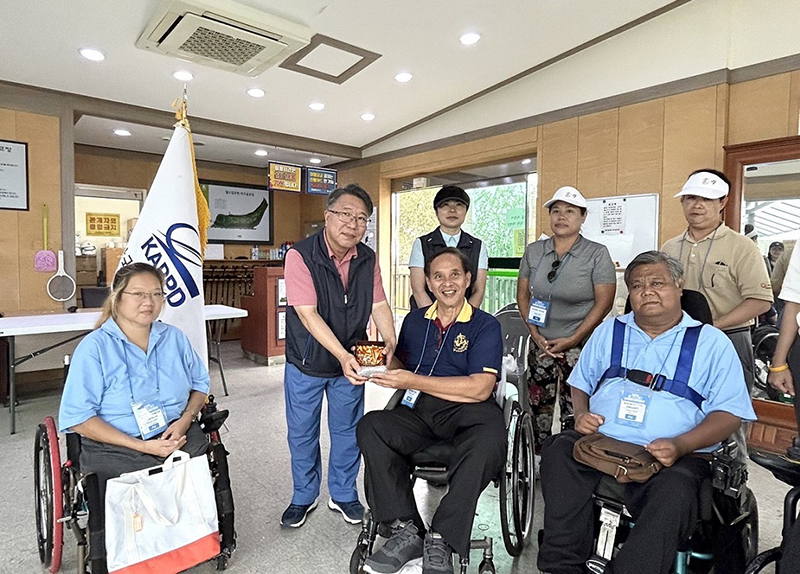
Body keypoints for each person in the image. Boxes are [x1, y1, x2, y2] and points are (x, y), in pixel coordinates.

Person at [537, 251, 756, 574]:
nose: (647, 291)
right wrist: (581, 413)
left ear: (679, 286)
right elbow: (580, 382)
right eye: (637, 286)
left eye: (657, 283)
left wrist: (682, 445)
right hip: (602, 442)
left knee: (677, 492)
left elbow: (729, 414)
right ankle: (562, 565)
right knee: (558, 452)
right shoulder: (609, 331)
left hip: (676, 456)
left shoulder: (712, 343)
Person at [357, 248, 505, 574]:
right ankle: (407, 528)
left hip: (470, 413)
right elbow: (403, 367)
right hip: (421, 412)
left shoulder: (484, 325)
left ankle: (441, 536)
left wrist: (413, 379)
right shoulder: (414, 320)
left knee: (491, 440)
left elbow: (481, 388)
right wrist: (380, 356)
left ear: (468, 279)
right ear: (427, 281)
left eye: (455, 274)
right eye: (438, 276)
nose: (447, 282)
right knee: (372, 426)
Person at [59, 262, 211, 573]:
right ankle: (128, 553)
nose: (149, 302)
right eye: (139, 294)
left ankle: (186, 540)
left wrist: (184, 420)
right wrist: (142, 446)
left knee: (196, 457)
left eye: (157, 294)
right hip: (115, 445)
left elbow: (200, 386)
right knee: (128, 481)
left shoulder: (174, 338)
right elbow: (78, 418)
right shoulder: (95, 348)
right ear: (117, 297)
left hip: (176, 434)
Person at [282, 183, 397, 528]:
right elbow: (307, 313)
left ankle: (343, 493)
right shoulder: (300, 255)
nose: (353, 223)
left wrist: (391, 342)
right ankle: (303, 495)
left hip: (355, 360)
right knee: (302, 431)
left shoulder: (368, 258)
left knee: (347, 429)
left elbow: (378, 303)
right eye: (346, 214)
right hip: (307, 361)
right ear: (327, 215)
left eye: (362, 218)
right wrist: (341, 355)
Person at [516, 186, 615, 450]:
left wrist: (574, 338)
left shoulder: (596, 253)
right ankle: (538, 456)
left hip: (581, 344)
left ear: (583, 217)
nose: (561, 216)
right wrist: (535, 333)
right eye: (556, 211)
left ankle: (574, 456)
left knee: (577, 406)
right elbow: (523, 295)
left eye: (570, 211)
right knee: (539, 404)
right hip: (542, 343)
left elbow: (603, 303)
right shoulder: (534, 251)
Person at [662, 169, 773, 391]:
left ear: (723, 202)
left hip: (729, 338)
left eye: (707, 199)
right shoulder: (669, 247)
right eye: (691, 198)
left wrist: (712, 326)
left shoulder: (742, 247)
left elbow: (760, 301)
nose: (697, 205)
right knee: (679, 404)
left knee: (728, 412)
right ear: (683, 201)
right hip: (677, 338)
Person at [408, 185, 488, 310]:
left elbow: (479, 290)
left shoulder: (478, 246)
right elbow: (418, 290)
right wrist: (437, 320)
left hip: (466, 321)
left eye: (458, 205)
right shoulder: (421, 244)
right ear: (436, 212)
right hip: (426, 317)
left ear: (466, 211)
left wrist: (463, 319)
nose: (452, 210)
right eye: (445, 205)